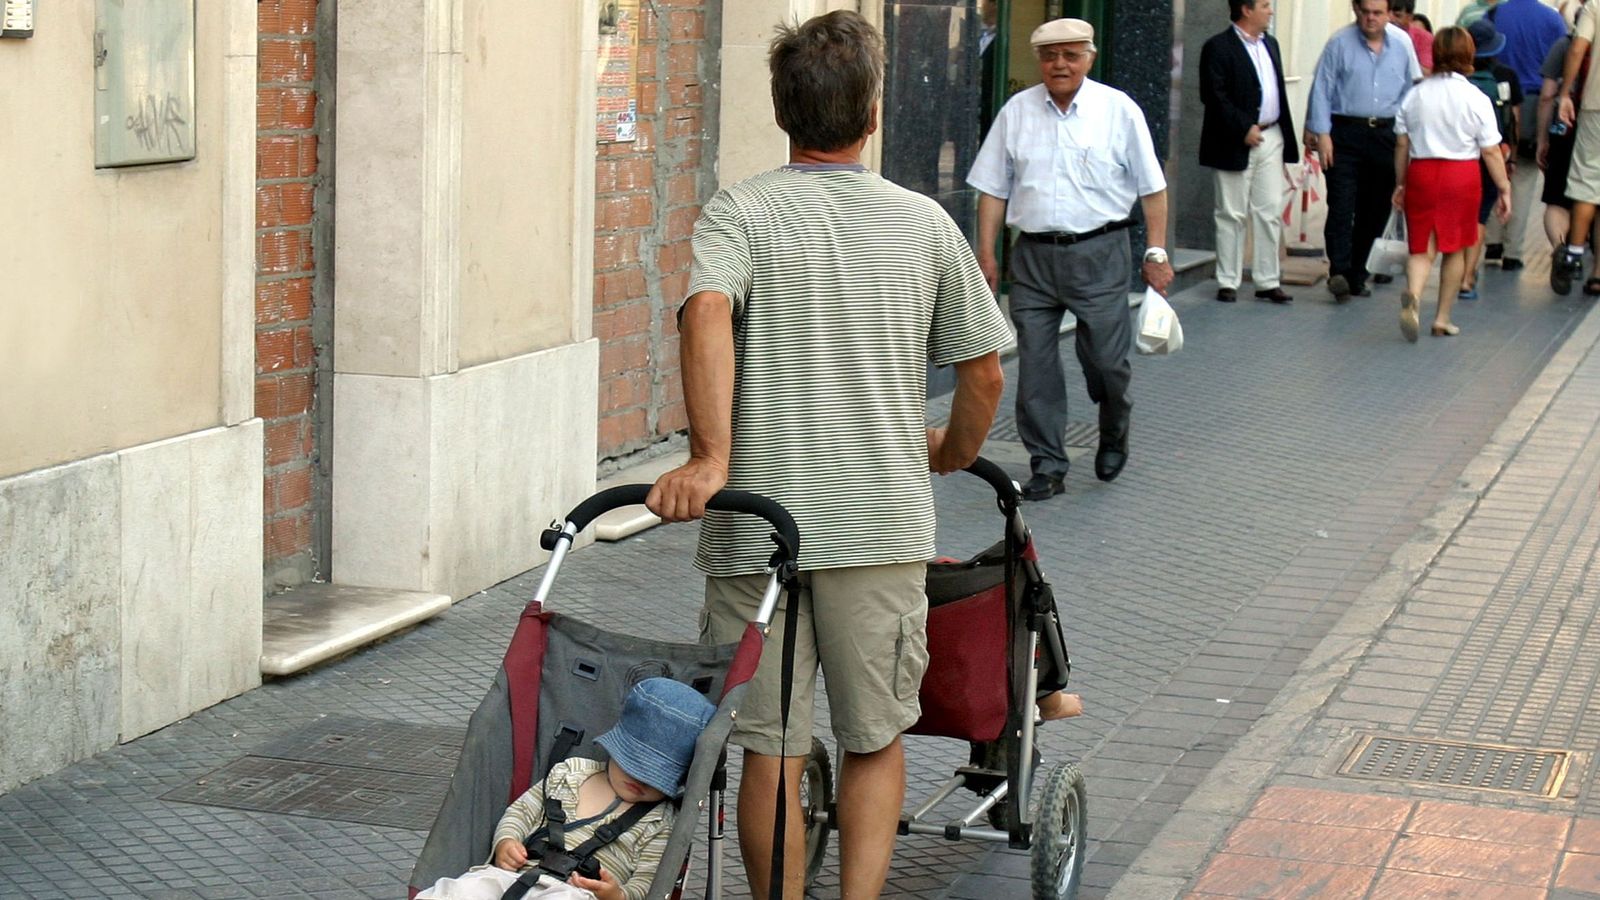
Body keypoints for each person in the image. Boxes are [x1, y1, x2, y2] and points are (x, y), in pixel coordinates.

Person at [646, 12, 1010, 898]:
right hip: (880, 522)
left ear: (781, 113)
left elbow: (704, 313)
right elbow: (984, 372)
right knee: (873, 734)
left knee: (769, 741)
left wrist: (710, 458)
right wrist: (952, 451)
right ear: (875, 112)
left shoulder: (741, 211)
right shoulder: (923, 222)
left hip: (757, 529)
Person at [967, 18, 1173, 497]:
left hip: (1100, 254)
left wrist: (1157, 251)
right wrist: (986, 253)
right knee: (1034, 367)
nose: (1060, 64)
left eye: (1071, 54)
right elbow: (994, 190)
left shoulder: (1118, 110)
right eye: (1050, 55)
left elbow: (1154, 188)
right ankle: (1048, 464)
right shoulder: (1017, 112)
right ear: (1039, 60)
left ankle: (1114, 425)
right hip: (1034, 257)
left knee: (1107, 364)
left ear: (1089, 57)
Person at [416, 678, 717, 900]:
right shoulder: (569, 772)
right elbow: (520, 812)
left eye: (654, 776)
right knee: (462, 889)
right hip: (513, 876)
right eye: (632, 763)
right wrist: (506, 841)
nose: (639, 779)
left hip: (577, 893)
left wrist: (617, 895)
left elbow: (650, 884)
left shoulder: (660, 821)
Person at [1393, 26, 1512, 342]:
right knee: (1455, 248)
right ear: (1469, 54)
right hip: (1461, 176)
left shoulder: (1415, 94)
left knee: (1421, 245)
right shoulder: (1476, 97)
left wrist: (1401, 183)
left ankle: (1414, 294)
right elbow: (1489, 149)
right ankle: (1442, 318)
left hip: (1421, 172)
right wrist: (1503, 187)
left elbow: (1402, 144)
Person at [1305, 0, 1423, 303]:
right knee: (1342, 205)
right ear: (1356, 9)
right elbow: (1322, 89)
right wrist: (1323, 134)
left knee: (1376, 208)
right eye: (1365, 12)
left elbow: (1412, 91)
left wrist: (1410, 138)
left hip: (1386, 135)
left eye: (1378, 13)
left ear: (1389, 14)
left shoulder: (1402, 44)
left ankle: (1357, 274)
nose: (1370, 19)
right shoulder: (1339, 43)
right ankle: (1339, 272)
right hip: (1345, 133)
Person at [1199, 0, 1301, 304]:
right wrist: (1243, 127)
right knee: (1231, 212)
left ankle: (1268, 280)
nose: (1271, 11)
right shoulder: (1217, 47)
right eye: (1266, 5)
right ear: (1246, 9)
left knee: (1269, 210)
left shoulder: (1271, 44)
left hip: (1271, 136)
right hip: (1234, 140)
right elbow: (1213, 96)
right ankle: (1228, 280)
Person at [1480, 0, 1566, 269]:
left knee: (1494, 171)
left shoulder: (1494, 13)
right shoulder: (1552, 20)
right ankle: (1513, 251)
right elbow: (1562, 62)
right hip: (1534, 104)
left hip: (1493, 101)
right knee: (1525, 178)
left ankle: (1492, 241)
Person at [1535, 21, 1600, 292]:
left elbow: (1547, 95)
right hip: (1588, 119)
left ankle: (1565, 251)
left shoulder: (1564, 45)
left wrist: (1542, 138)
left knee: (1557, 198)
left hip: (1572, 121)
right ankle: (1597, 274)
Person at [1459, 18, 1522, 299]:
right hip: (1489, 158)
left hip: (1456, 158)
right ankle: (1467, 277)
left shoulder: (1456, 82)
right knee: (1479, 218)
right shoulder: (1506, 76)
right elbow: (1512, 120)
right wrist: (1510, 160)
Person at [1554, 1, 1600, 295]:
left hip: (1597, 107)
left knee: (1588, 181)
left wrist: (1565, 93)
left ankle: (1573, 253)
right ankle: (1598, 274)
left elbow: (1577, 48)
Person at [1393, 0, 1435, 74]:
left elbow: (1427, 72)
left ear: (1410, 17)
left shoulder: (1424, 38)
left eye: (1397, 16)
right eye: (1387, 14)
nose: (1391, 19)